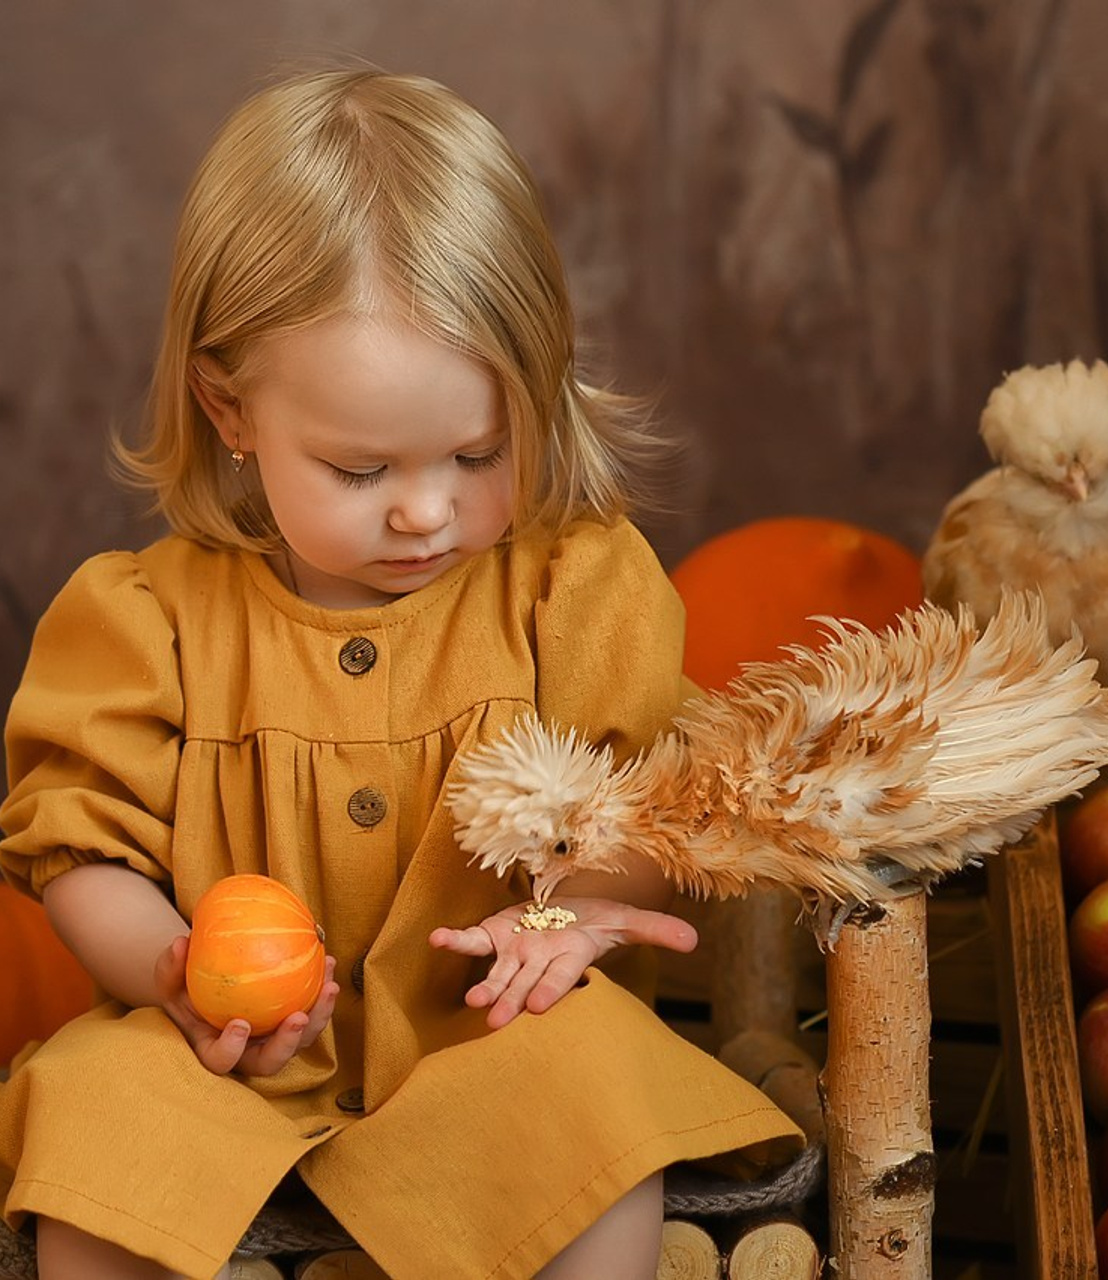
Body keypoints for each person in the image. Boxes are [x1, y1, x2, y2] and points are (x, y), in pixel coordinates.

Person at [0, 68, 801, 1280]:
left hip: (488, 1045)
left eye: (478, 450)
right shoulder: (149, 619)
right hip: (233, 1071)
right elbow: (84, 848)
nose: (425, 509)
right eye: (359, 471)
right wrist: (172, 971)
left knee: (588, 1088)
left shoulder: (567, 590)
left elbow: (640, 795)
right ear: (231, 410)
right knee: (99, 1110)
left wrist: (575, 910)